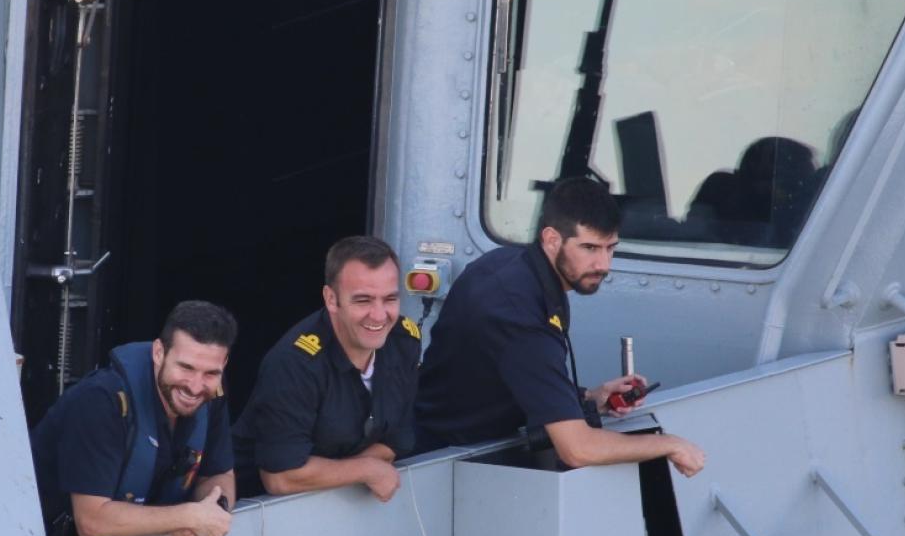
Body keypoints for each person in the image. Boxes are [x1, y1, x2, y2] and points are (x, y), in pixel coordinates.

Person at [415, 177, 706, 476]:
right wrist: (670, 444)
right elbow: (577, 448)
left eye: (610, 248)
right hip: (440, 463)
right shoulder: (518, 314)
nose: (603, 264)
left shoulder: (514, 267)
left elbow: (516, 375)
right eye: (590, 248)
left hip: (467, 446)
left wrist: (589, 398)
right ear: (552, 239)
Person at [29, 301, 238, 536]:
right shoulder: (101, 400)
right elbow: (92, 521)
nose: (195, 385)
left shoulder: (210, 395)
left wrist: (215, 510)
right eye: (186, 367)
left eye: (210, 373)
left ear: (223, 366)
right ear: (158, 353)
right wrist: (188, 517)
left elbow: (219, 473)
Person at [234, 236, 419, 502]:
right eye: (363, 300)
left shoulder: (404, 341)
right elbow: (281, 478)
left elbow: (396, 442)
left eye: (389, 298)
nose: (379, 315)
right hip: (259, 518)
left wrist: (345, 472)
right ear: (331, 299)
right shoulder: (294, 364)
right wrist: (366, 469)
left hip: (339, 506)